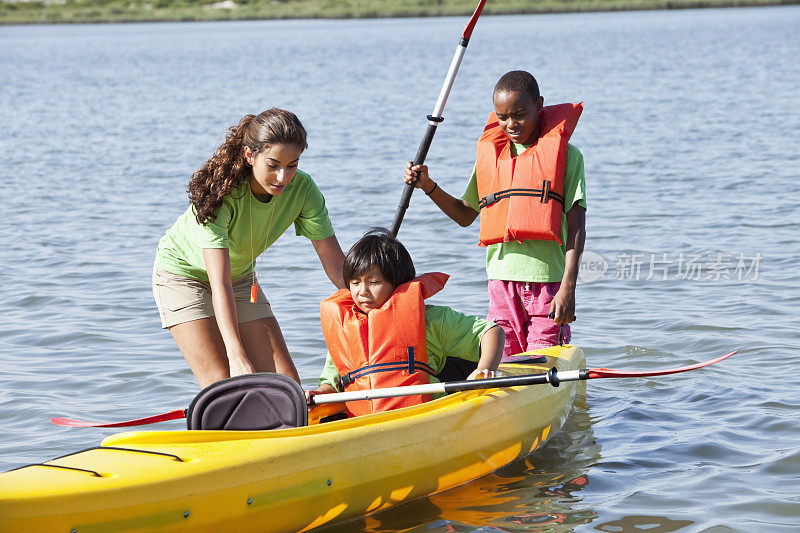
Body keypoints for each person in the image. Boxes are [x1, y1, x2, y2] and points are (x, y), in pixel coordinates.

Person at [153, 108, 346, 388]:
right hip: (182, 276)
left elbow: (337, 266)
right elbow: (219, 285)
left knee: (285, 384)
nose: (283, 177)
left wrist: (375, 302)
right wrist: (237, 356)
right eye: (273, 164)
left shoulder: (304, 191)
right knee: (224, 383)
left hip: (239, 277)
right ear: (249, 155)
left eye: (292, 165)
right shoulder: (221, 194)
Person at [403, 70, 586, 355]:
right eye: (502, 117)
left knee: (541, 362)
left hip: (548, 285)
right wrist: (428, 186)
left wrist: (568, 289)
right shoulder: (493, 156)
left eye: (520, 114)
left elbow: (576, 227)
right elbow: (465, 215)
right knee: (505, 362)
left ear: (539, 106)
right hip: (501, 284)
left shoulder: (568, 156)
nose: (510, 124)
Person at [307, 228, 504, 417]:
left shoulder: (431, 319)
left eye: (374, 282)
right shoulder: (345, 328)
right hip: (363, 421)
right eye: (355, 282)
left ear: (399, 283)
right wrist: (319, 394)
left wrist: (484, 370)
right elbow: (331, 384)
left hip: (427, 416)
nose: (362, 292)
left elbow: (491, 332)